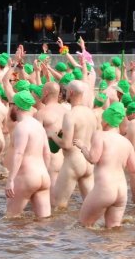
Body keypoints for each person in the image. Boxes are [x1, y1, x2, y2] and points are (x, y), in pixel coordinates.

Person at [74, 102, 135, 228]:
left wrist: (82, 147)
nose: (101, 121)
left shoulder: (100, 135)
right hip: (121, 191)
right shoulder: (126, 142)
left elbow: (93, 158)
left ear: (107, 120)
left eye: (103, 118)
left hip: (105, 188)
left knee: (84, 225)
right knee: (114, 229)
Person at [5, 90, 51, 218]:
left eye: (11, 104)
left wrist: (10, 180)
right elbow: (47, 153)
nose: (10, 108)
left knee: (11, 218)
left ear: (17, 107)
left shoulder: (22, 126)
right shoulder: (38, 126)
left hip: (27, 177)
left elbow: (19, 153)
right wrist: (45, 172)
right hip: (43, 176)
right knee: (44, 220)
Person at [50, 80, 95, 210]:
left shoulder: (70, 115)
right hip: (88, 161)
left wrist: (52, 135)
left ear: (71, 92)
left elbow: (66, 144)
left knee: (58, 205)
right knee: (91, 205)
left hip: (73, 161)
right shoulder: (91, 113)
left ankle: (63, 225)